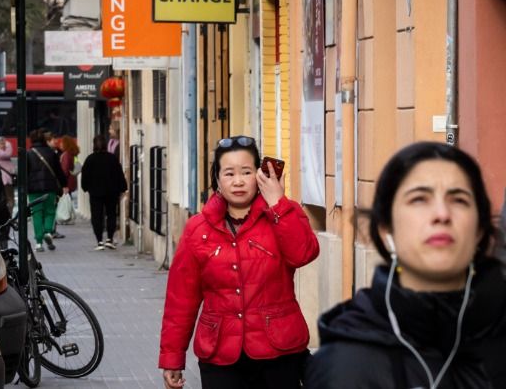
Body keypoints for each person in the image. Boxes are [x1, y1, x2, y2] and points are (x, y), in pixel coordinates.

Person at [307, 142, 506, 389]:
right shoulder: (346, 365)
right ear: (386, 228)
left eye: (459, 200)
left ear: (479, 230)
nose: (442, 214)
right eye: (420, 199)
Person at [158, 135, 318, 389]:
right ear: (217, 180)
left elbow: (303, 254)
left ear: (260, 175)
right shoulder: (197, 229)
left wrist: (278, 203)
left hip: (279, 352)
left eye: (246, 172)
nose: (238, 181)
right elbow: (181, 299)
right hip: (220, 355)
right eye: (229, 173)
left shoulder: (282, 214)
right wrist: (172, 357)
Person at [80, 134, 128, 250]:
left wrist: (85, 187)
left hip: (95, 192)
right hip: (111, 191)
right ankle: (109, 239)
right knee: (111, 214)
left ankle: (99, 241)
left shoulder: (90, 159)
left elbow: (85, 176)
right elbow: (119, 173)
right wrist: (123, 188)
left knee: (97, 216)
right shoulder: (112, 158)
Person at [26, 128, 69, 250]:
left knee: (37, 213)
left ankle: (39, 243)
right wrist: (64, 184)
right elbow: (59, 171)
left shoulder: (28, 154)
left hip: (33, 189)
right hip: (50, 187)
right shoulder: (52, 153)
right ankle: (48, 232)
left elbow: (24, 173)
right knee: (50, 211)